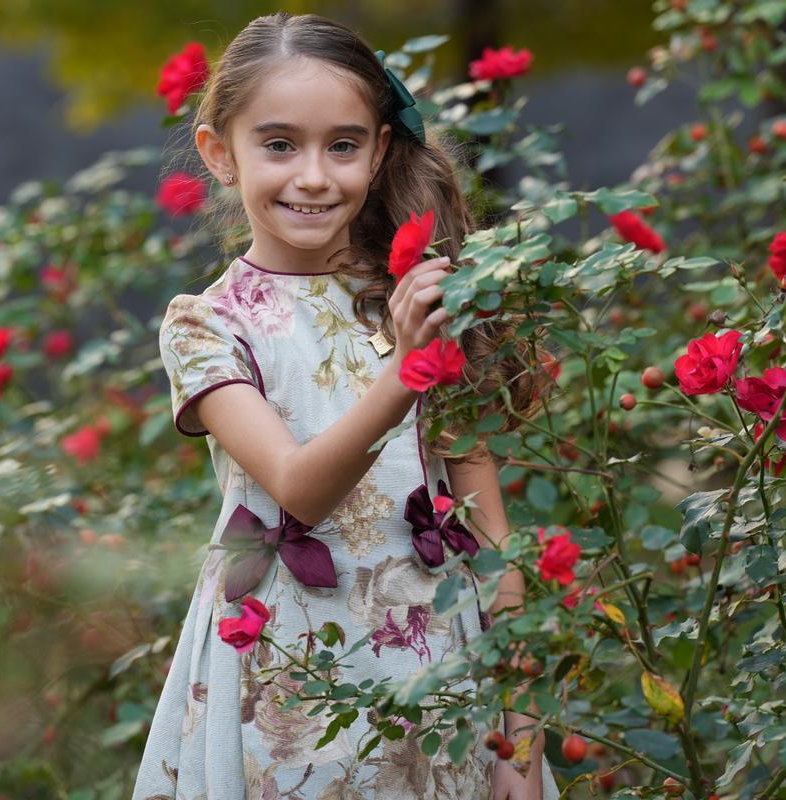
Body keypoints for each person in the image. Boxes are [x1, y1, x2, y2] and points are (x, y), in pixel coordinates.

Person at [132, 12, 557, 800]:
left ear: (380, 150)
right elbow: (299, 488)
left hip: (439, 665)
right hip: (286, 676)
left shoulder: (419, 298)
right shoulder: (207, 324)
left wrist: (520, 750)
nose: (314, 176)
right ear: (219, 154)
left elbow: (496, 546)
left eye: (343, 144)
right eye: (280, 144)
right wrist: (406, 367)